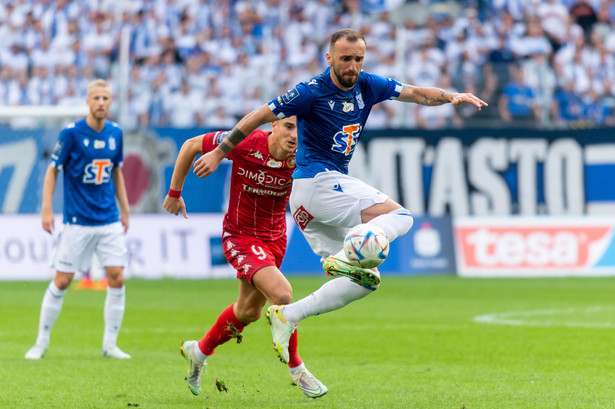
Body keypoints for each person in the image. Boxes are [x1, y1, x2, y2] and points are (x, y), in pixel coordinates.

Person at [191, 28, 487, 367]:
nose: (353, 66)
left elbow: (417, 93)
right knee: (401, 217)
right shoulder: (310, 92)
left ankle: (289, 315)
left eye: (358, 59)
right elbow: (258, 115)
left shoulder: (368, 85)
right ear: (329, 58)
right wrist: (220, 152)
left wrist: (450, 96)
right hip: (316, 183)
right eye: (345, 58)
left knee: (364, 281)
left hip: (311, 203)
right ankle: (360, 242)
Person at [163, 116, 327, 399]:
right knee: (283, 295)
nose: (295, 136)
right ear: (273, 126)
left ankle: (198, 352)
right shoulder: (245, 143)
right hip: (240, 236)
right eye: (289, 127)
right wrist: (175, 192)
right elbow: (190, 145)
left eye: (300, 130)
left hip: (275, 239)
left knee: (248, 312)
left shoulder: (305, 158)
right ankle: (297, 368)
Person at [25, 79, 131, 360]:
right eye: (96, 98)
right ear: (87, 101)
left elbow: (116, 171)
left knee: (117, 278)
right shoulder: (71, 134)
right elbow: (52, 169)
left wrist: (125, 207)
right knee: (62, 281)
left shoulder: (116, 134)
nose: (101, 103)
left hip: (108, 219)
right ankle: (41, 343)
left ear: (111, 101)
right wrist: (46, 208)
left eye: (106, 98)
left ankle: (110, 345)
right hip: (78, 221)